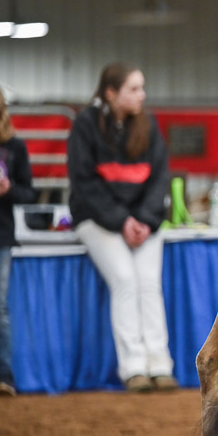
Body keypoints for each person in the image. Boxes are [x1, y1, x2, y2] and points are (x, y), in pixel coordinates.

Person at [68, 62, 175, 393]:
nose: (142, 95)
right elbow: (84, 183)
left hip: (143, 222)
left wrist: (142, 219)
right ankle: (133, 369)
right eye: (133, 89)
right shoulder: (85, 126)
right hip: (98, 221)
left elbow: (160, 179)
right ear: (110, 93)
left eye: (142, 88)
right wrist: (121, 220)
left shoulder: (149, 125)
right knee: (126, 280)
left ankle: (160, 365)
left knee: (148, 284)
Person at [0, 81, 35, 396]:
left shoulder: (15, 147)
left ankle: (5, 376)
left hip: (0, 237)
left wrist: (8, 191)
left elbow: (29, 192)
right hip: (1, 238)